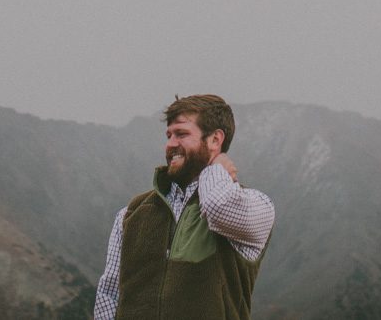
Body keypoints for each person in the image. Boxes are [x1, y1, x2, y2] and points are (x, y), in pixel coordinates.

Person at [92, 93, 275, 320]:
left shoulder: (256, 206)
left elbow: (217, 206)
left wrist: (216, 168)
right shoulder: (130, 214)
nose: (170, 144)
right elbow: (109, 295)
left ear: (215, 140)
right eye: (168, 135)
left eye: (182, 134)